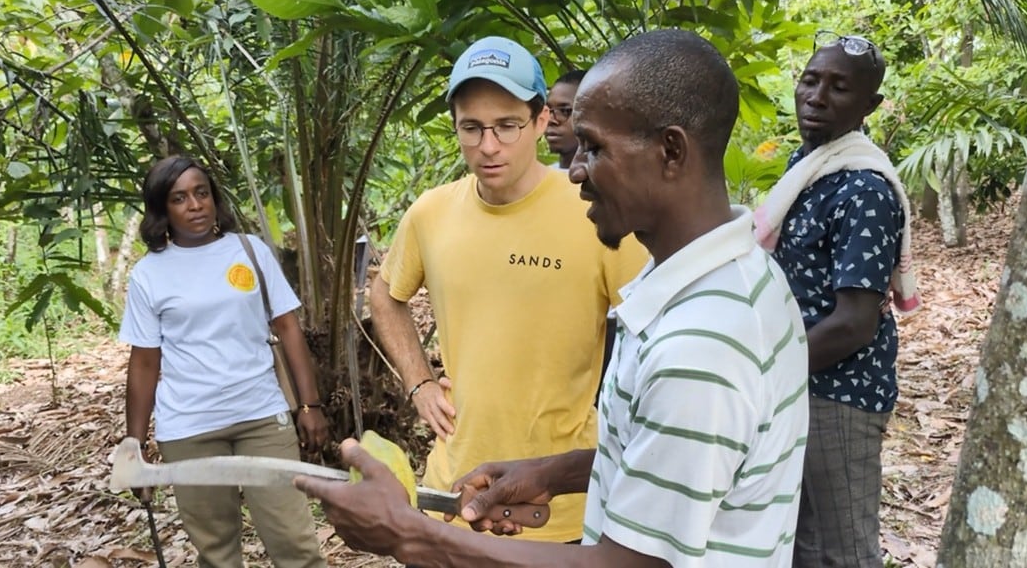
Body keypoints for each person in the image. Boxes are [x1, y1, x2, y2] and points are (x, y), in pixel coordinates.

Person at [298, 29, 810, 567]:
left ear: (671, 151)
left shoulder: (701, 346)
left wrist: (408, 536)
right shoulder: (735, 278)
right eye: (472, 127)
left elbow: (629, 565)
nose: (578, 170)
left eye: (594, 147)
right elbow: (676, 459)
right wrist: (554, 472)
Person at [367, 35, 646, 544]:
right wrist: (420, 383)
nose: (488, 145)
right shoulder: (431, 213)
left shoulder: (595, 211)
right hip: (453, 491)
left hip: (556, 502)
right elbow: (385, 295)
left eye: (507, 125)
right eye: (471, 128)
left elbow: (656, 327)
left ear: (543, 122)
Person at [752, 32, 920, 568]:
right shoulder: (808, 168)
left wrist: (763, 371)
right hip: (795, 387)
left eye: (838, 87)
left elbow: (853, 324)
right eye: (810, 79)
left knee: (843, 551)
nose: (817, 96)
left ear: (869, 106)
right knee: (800, 547)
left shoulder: (863, 189)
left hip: (836, 396)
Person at [120, 156, 328, 568]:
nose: (195, 205)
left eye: (202, 193)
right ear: (163, 209)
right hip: (190, 428)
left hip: (262, 415)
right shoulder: (148, 275)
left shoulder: (249, 251)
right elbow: (144, 363)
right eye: (179, 198)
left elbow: (288, 329)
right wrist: (133, 444)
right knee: (217, 555)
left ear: (215, 199)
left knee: (296, 546)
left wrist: (310, 405)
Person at [545, 69, 586, 170]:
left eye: (564, 111)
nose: (550, 120)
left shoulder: (614, 183)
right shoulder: (537, 182)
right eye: (548, 110)